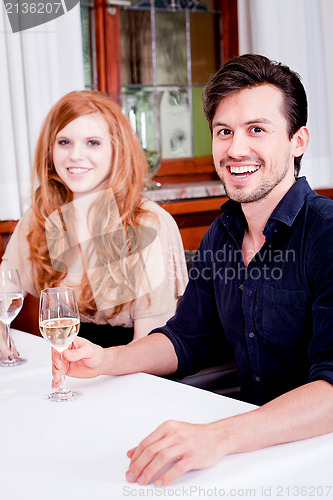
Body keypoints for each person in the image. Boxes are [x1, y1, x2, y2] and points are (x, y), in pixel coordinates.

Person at [52, 55, 333, 486]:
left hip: (315, 453)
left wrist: (218, 437)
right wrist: (107, 359)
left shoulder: (326, 235)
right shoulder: (222, 235)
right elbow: (187, 339)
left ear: (298, 141)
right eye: (225, 132)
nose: (236, 148)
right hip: (250, 450)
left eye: (257, 129)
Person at [0, 90, 188, 358]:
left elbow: (150, 351)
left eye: (92, 143)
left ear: (117, 150)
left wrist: (101, 366)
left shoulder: (149, 223)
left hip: (132, 373)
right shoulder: (39, 217)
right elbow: (5, 290)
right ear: (49, 150)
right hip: (66, 375)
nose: (76, 155)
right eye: (64, 142)